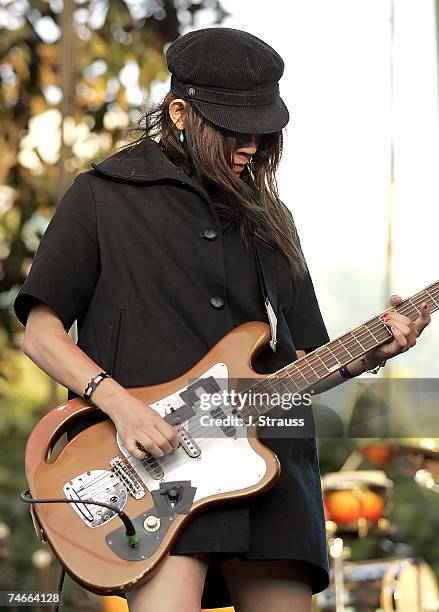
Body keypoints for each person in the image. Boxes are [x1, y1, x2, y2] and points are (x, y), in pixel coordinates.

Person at [14, 28, 431, 612]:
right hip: (157, 470)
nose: (254, 144)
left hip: (273, 467)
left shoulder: (271, 219)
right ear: (181, 112)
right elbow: (41, 331)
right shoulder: (102, 196)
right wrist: (121, 405)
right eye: (236, 128)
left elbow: (308, 362)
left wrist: (377, 349)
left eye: (264, 127)